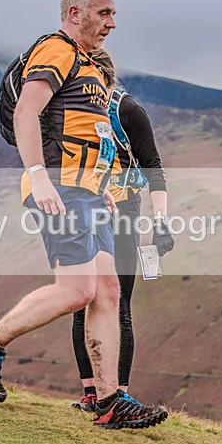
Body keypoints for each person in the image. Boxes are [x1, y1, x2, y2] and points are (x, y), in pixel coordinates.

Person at [0, 0, 167, 429]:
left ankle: (109, 400)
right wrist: (40, 178)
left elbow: (95, 140)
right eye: (103, 13)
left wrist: (106, 192)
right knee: (78, 291)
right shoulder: (56, 50)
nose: (112, 23)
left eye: (113, 13)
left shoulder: (91, 67)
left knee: (107, 291)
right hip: (59, 186)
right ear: (75, 14)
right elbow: (26, 112)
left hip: (90, 192)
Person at [70, 48, 174, 411]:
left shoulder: (127, 111)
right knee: (81, 300)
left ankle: (117, 394)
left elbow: (154, 168)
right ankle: (91, 393)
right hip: (84, 209)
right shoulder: (71, 111)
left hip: (123, 212)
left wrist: (161, 223)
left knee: (117, 303)